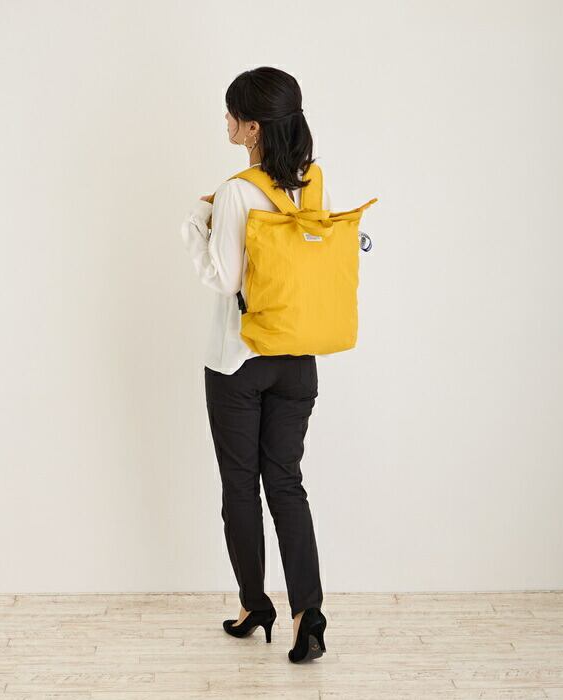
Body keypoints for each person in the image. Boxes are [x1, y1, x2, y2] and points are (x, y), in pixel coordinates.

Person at [179, 67, 328, 663]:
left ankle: (254, 605)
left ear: (253, 128)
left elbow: (225, 279)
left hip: (238, 361)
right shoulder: (312, 183)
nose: (227, 121)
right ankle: (308, 614)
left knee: (240, 486)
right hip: (298, 358)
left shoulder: (237, 192)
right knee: (286, 483)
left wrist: (197, 223)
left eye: (232, 114)